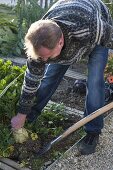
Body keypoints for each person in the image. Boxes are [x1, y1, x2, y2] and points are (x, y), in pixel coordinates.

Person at [11, 0, 113, 155]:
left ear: (60, 42)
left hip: (94, 28)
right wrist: (21, 113)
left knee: (95, 82)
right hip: (67, 30)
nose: (43, 61)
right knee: (49, 77)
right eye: (41, 57)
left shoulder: (91, 28)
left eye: (47, 57)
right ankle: (30, 117)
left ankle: (93, 132)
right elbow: (31, 81)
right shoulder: (40, 41)